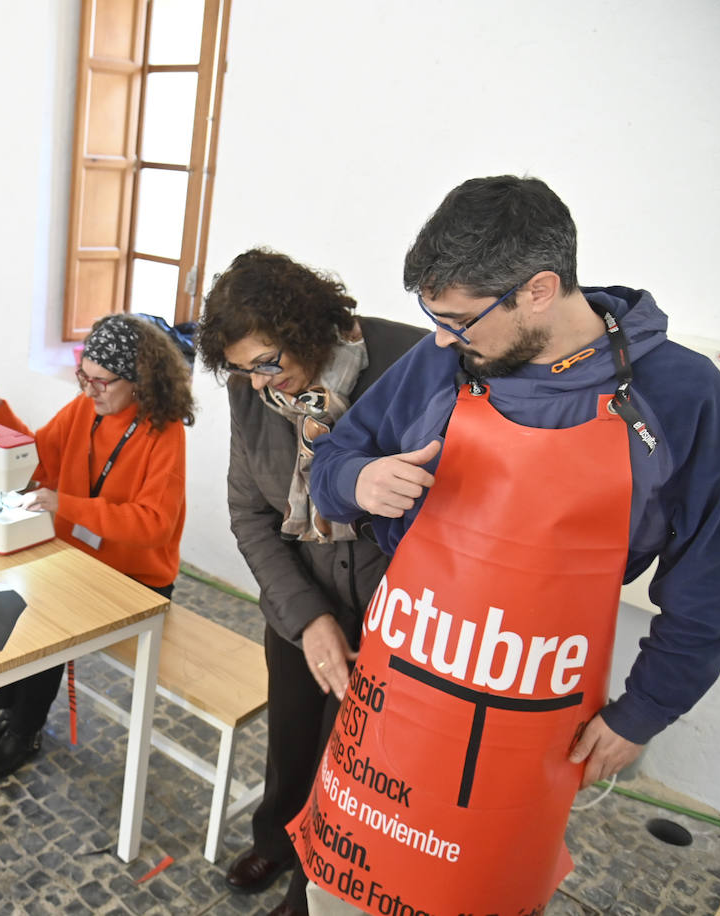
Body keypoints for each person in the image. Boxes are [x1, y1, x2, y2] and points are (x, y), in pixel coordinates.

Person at [294, 176, 720, 915]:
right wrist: (359, 480)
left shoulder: (680, 396)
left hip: (522, 728)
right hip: (399, 698)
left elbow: (717, 585)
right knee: (346, 891)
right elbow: (338, 462)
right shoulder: (445, 361)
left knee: (478, 892)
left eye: (456, 319)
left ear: (539, 290)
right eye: (431, 316)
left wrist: (643, 712)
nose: (440, 337)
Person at [194, 249, 425, 916]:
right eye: (242, 369)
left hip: (394, 616)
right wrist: (308, 619)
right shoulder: (253, 393)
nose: (262, 382)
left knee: (349, 769)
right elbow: (251, 515)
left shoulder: (409, 366)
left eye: (269, 361)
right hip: (300, 605)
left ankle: (311, 894)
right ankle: (276, 839)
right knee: (292, 745)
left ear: (307, 327)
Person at [0, 313, 195, 779]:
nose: (89, 390)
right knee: (10, 591)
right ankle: (11, 713)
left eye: (101, 382)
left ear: (139, 381)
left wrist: (66, 505)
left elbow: (153, 525)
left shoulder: (163, 432)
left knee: (47, 619)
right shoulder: (85, 409)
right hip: (81, 556)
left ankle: (25, 732)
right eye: (82, 377)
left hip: (138, 577)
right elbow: (39, 456)